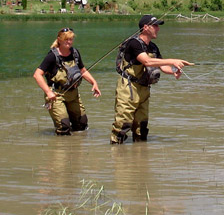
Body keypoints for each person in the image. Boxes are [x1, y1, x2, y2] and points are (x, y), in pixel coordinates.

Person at [110, 14, 193, 144]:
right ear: (145, 27)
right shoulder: (134, 43)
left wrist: (174, 71)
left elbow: (161, 65)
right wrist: (173, 60)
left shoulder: (153, 47)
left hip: (144, 90)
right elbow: (147, 61)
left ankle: (140, 158)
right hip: (128, 89)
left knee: (141, 128)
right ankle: (116, 154)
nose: (158, 28)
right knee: (123, 125)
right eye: (155, 25)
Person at [33, 27, 101, 135]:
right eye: (66, 39)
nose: (69, 42)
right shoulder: (52, 56)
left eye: (71, 39)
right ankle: (62, 147)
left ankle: (77, 147)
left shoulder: (75, 53)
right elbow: (37, 75)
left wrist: (94, 83)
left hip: (73, 94)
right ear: (59, 40)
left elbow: (82, 70)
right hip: (56, 95)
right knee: (64, 126)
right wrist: (48, 92)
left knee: (82, 124)